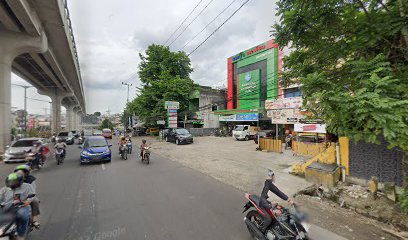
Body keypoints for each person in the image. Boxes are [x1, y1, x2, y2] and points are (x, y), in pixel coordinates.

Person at [0, 173, 35, 240]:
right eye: (10, 182)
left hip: (21, 206)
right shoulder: (4, 189)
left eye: (14, 182)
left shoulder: (27, 186)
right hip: (7, 207)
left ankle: (21, 235)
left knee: (23, 216)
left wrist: (28, 201)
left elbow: (32, 196)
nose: (11, 183)